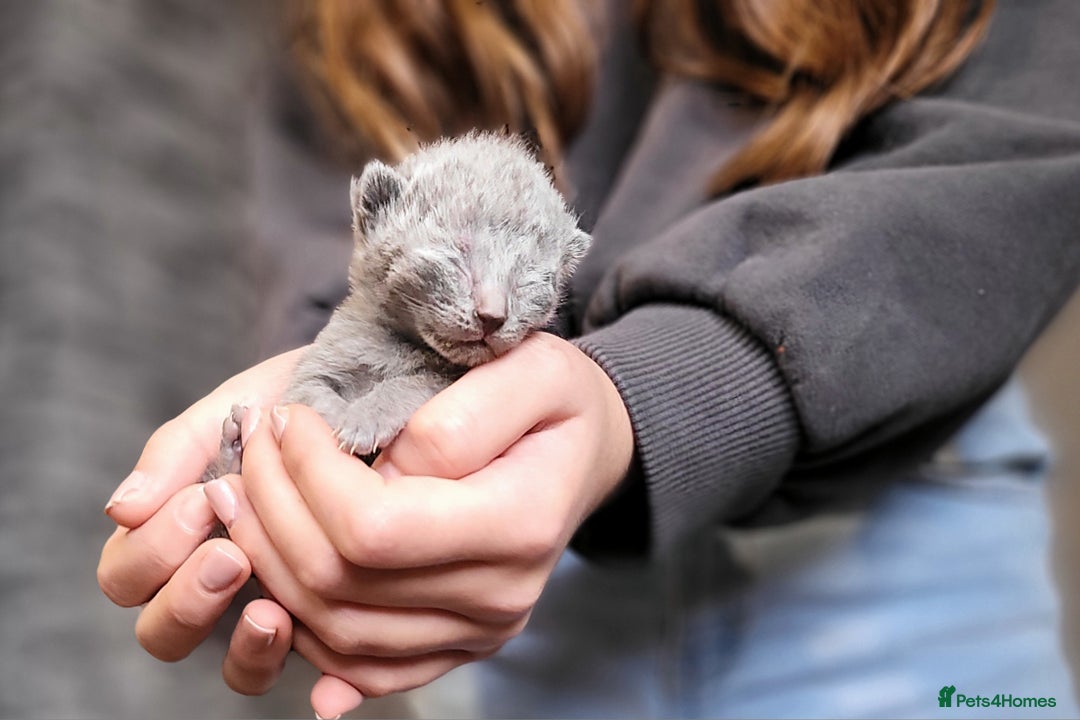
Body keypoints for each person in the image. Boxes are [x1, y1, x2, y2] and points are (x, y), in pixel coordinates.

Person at [97, 1, 1080, 717]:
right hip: (509, 597)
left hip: (899, 567)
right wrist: (308, 484)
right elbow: (341, 216)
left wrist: (661, 389)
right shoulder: (350, 36)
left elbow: (1016, 161)